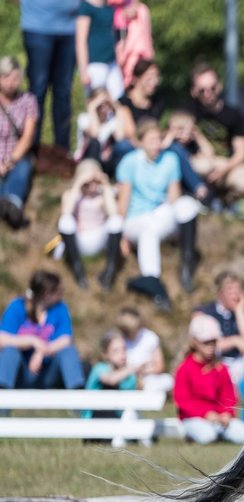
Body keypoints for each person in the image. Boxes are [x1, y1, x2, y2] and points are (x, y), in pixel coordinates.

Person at [116, 119, 202, 298]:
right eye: (151, 140)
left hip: (159, 215)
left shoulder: (170, 160)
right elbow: (123, 201)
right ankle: (151, 279)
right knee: (149, 231)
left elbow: (174, 197)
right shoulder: (130, 162)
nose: (156, 144)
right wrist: (120, 236)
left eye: (158, 139)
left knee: (188, 205)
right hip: (136, 219)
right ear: (140, 142)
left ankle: (186, 266)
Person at [186, 63, 244, 207]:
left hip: (225, 165)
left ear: (219, 86)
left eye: (212, 88)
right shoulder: (187, 112)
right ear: (193, 91)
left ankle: (225, 197)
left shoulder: (233, 114)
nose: (208, 93)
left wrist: (223, 170)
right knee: (203, 165)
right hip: (199, 163)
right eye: (202, 90)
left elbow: (241, 152)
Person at [173, 313, 244, 445]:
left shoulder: (221, 368)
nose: (210, 346)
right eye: (205, 342)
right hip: (193, 418)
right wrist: (206, 414)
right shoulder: (185, 368)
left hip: (220, 419)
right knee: (208, 436)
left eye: (213, 342)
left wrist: (226, 413)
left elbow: (228, 396)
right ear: (194, 342)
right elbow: (183, 401)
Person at [0, 271, 84, 391]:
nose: (62, 294)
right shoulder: (17, 306)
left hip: (48, 373)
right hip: (21, 372)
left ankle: (79, 400)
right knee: (10, 352)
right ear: (46, 294)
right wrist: (32, 341)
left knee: (69, 352)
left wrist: (42, 351)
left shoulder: (60, 308)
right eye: (58, 291)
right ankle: (2, 400)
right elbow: (3, 339)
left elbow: (66, 339)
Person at [20, 0, 79, 154]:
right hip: (37, 27)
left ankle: (62, 153)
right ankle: (31, 151)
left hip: (70, 28)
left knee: (63, 93)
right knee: (38, 91)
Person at [57, 158, 124, 290]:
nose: (92, 185)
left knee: (116, 221)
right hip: (80, 240)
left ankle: (110, 271)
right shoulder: (71, 195)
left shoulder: (102, 195)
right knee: (65, 221)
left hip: (99, 239)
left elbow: (113, 213)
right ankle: (77, 269)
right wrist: (79, 183)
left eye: (94, 181)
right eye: (88, 182)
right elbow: (66, 213)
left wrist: (105, 185)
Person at [197, 270, 244, 380]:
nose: (235, 294)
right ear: (219, 293)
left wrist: (239, 310)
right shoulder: (207, 312)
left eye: (238, 289)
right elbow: (205, 345)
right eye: (230, 290)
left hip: (242, 363)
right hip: (216, 363)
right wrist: (235, 341)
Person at [0, 56, 39, 230]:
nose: (11, 83)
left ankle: (13, 205)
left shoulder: (28, 100)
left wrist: (10, 161)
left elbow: (28, 137)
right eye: (6, 77)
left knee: (22, 168)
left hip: (16, 156)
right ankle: (6, 205)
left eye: (15, 78)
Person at [83, 328, 142, 419]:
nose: (122, 355)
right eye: (116, 351)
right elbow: (110, 380)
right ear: (105, 354)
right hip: (95, 419)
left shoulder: (129, 376)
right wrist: (130, 369)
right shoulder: (100, 368)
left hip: (117, 419)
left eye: (124, 349)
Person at [115, 305, 171, 393]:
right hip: (127, 377)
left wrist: (143, 371)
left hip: (148, 378)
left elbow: (159, 366)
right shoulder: (119, 339)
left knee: (168, 380)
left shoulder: (150, 337)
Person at [75, 0, 122, 99]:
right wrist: (83, 70)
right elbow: (81, 41)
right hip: (94, 62)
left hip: (111, 61)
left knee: (118, 97)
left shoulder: (109, 6)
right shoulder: (86, 7)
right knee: (97, 101)